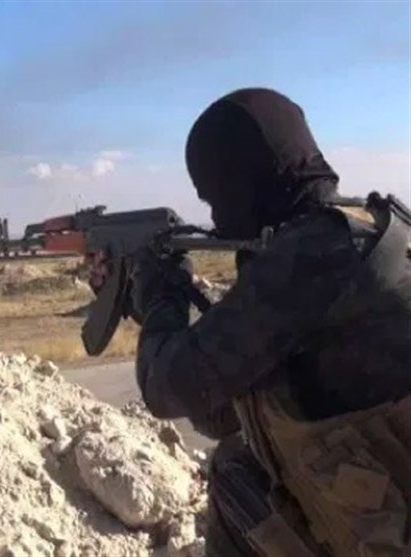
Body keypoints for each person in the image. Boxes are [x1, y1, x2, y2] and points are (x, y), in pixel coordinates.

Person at [132, 88, 411, 557]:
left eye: (215, 199)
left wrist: (160, 298)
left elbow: (168, 387)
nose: (216, 218)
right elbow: (223, 412)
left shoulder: (309, 258)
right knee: (241, 460)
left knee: (233, 475)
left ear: (240, 184)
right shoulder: (375, 229)